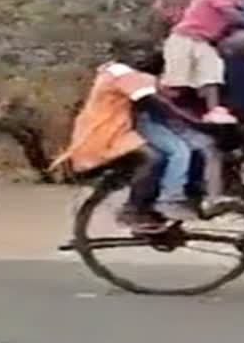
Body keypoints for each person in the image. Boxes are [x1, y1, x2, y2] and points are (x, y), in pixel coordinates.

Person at [52, 38, 200, 233]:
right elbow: (153, 101)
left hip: (114, 132)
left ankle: (150, 205)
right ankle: (132, 210)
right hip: (104, 135)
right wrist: (195, 120)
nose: (142, 58)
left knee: (162, 156)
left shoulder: (117, 71)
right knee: (153, 159)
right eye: (136, 52)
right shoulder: (123, 74)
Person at [161, 0, 244, 124]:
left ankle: (214, 111)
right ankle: (158, 101)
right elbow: (235, 17)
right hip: (184, 40)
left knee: (212, 74)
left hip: (203, 41)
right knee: (177, 81)